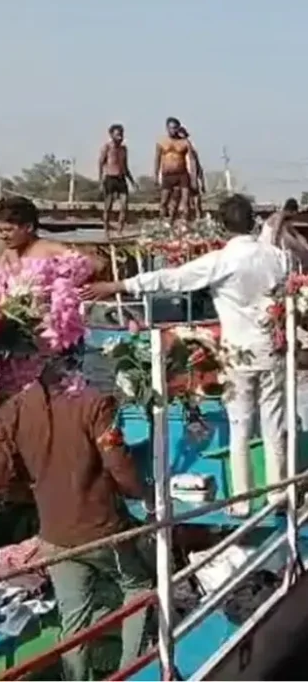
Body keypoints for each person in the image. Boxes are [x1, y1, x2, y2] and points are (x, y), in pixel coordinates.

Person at [83, 195, 289, 516]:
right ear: (252, 221)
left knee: (239, 424)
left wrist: (119, 285)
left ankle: (243, 501)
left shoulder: (223, 260)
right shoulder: (278, 257)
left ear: (223, 225)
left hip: (238, 353)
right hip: (273, 347)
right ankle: (279, 496)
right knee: (274, 421)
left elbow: (173, 278)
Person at [0, 372, 152, 680]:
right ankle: (131, 672)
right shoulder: (95, 403)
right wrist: (144, 493)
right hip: (102, 529)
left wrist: (35, 492)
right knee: (139, 588)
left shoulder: (14, 408)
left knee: (73, 617)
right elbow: (119, 465)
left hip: (55, 533)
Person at [155, 118, 197, 222]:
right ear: (167, 128)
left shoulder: (185, 143)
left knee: (185, 199)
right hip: (167, 175)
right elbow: (157, 159)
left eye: (174, 128)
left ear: (178, 128)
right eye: (170, 128)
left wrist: (194, 178)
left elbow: (192, 161)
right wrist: (156, 175)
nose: (172, 130)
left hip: (182, 174)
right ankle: (162, 223)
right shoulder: (161, 142)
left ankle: (184, 224)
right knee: (164, 201)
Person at [98, 124, 137, 234]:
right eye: (117, 135)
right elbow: (100, 163)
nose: (120, 137)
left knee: (124, 205)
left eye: (121, 134)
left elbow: (125, 166)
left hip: (121, 178)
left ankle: (120, 230)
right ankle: (106, 229)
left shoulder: (124, 149)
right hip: (110, 178)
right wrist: (100, 180)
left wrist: (132, 181)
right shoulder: (107, 147)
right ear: (111, 135)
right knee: (108, 206)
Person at [176, 126, 205, 216]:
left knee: (195, 199)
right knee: (185, 200)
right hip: (182, 177)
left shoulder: (191, 151)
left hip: (191, 176)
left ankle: (197, 216)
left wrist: (201, 181)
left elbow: (198, 166)